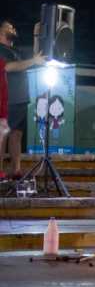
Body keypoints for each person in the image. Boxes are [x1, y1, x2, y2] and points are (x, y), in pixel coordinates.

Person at [0, 19, 44, 178]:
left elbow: (37, 54)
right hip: (6, 99)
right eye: (8, 26)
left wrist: (37, 34)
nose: (13, 28)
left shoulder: (17, 51)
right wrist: (33, 61)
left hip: (20, 99)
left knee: (16, 135)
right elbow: (9, 67)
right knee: (3, 135)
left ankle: (16, 170)